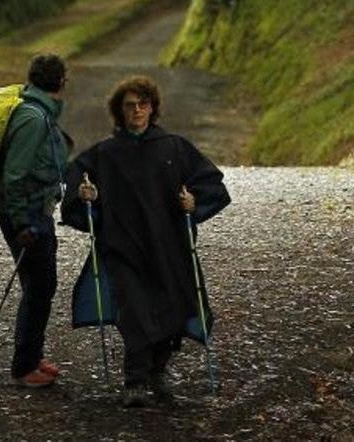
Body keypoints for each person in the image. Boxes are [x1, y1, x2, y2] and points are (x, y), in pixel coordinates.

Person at [63, 75, 231, 407]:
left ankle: (158, 373)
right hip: (122, 246)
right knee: (135, 311)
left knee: (172, 310)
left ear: (152, 108)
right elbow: (77, 184)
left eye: (143, 104)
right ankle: (135, 381)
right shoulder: (105, 154)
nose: (137, 111)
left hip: (169, 246)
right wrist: (87, 195)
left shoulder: (175, 147)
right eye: (130, 105)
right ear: (119, 111)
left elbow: (210, 184)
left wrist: (193, 201)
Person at [0, 53, 70, 388]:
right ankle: (24, 367)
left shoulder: (37, 112)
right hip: (27, 215)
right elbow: (14, 175)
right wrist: (22, 224)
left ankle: (32, 357)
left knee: (40, 285)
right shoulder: (33, 118)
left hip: (34, 211)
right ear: (61, 81)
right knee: (39, 286)